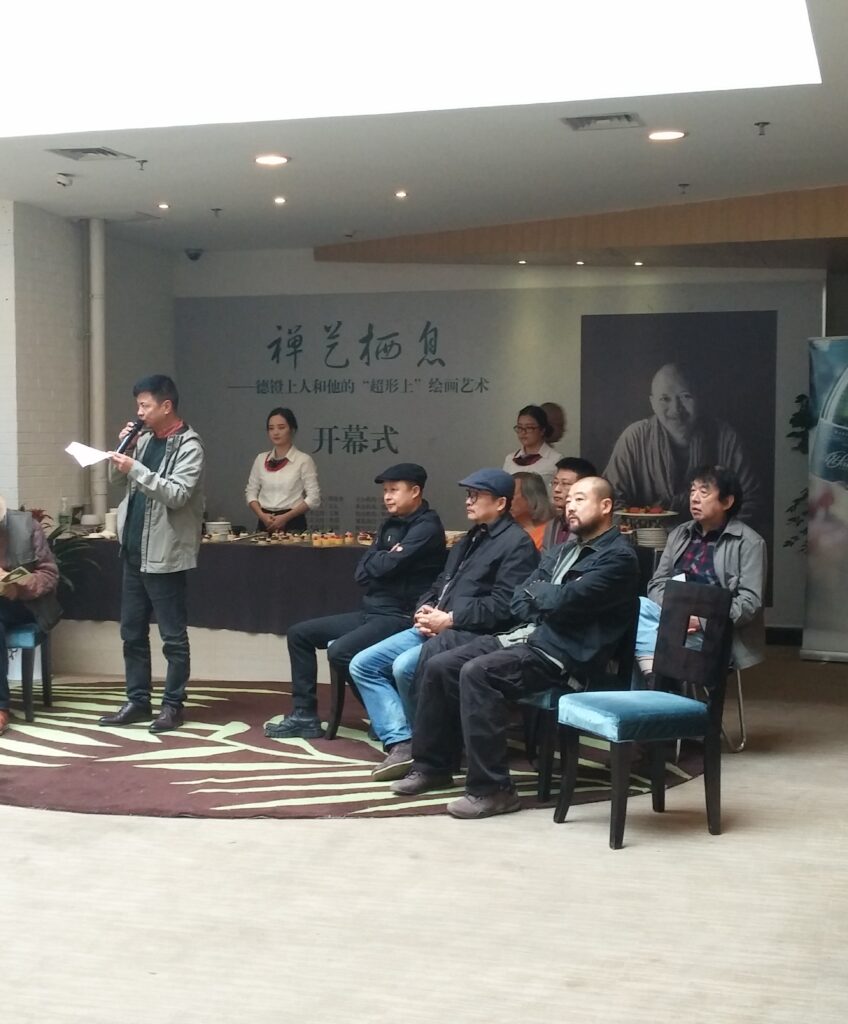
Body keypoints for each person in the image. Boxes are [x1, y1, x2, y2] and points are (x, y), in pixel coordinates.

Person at [390, 477, 640, 819]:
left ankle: (494, 790)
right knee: (440, 664)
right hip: (529, 638)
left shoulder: (618, 558)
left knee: (479, 673)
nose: (570, 506)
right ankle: (433, 766)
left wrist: (546, 596)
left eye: (580, 499)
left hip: (565, 657)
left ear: (605, 506)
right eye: (568, 500)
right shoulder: (564, 550)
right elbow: (518, 599)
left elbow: (566, 601)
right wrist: (546, 597)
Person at [349, 469, 539, 781]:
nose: (468, 501)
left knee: (404, 667)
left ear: (501, 503)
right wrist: (425, 609)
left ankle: (430, 749)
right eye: (468, 495)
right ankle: (403, 741)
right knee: (363, 664)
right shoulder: (471, 537)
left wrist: (451, 619)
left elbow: (506, 606)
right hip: (436, 623)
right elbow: (441, 582)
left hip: (471, 632)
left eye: (476, 496)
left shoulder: (517, 544)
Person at [264, 463, 446, 740]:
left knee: (340, 651)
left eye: (394, 490)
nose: (387, 497)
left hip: (399, 616)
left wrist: (383, 559)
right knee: (299, 634)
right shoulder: (389, 524)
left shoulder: (427, 527)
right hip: (371, 610)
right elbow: (362, 571)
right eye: (385, 491)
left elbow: (384, 565)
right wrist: (386, 558)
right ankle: (304, 716)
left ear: (415, 491)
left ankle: (389, 715)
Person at [98, 374, 205, 734]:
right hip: (133, 551)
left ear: (166, 406)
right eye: (138, 406)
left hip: (165, 555)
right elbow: (118, 482)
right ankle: (137, 700)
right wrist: (125, 451)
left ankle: (172, 705)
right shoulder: (142, 440)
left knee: (172, 637)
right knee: (131, 633)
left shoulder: (189, 445)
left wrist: (136, 468)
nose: (139, 412)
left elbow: (176, 494)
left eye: (145, 405)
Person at [636, 465, 766, 676]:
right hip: (671, 617)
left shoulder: (749, 542)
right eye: (692, 491)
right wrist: (675, 614)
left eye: (703, 492)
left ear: (727, 502)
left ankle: (654, 680)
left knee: (644, 641)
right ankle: (655, 680)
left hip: (714, 631)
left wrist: (703, 621)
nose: (694, 499)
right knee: (639, 606)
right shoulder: (679, 534)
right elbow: (657, 583)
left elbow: (750, 603)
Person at [603, 362, 762, 523]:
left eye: (686, 396)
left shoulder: (724, 437)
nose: (676, 409)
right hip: (644, 536)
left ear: (699, 397)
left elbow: (749, 499)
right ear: (652, 403)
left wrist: (717, 534)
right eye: (665, 399)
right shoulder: (634, 439)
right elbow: (609, 500)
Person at [0, 498, 61, 735]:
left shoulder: (27, 526)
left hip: (25, 604)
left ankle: (1, 707)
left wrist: (19, 587)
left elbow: (49, 575)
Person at [245, 407, 320, 534]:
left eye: (281, 427)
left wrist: (285, 517)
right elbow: (250, 492)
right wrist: (262, 515)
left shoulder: (303, 460)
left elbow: (314, 498)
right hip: (265, 521)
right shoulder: (260, 459)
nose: (275, 432)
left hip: (293, 522)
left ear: (292, 429)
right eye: (271, 428)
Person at [502, 405, 564, 488]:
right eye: (520, 427)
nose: (523, 432)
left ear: (542, 430)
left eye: (529, 428)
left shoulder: (555, 459)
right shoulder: (510, 459)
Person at [511, 471, 554, 550]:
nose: (504, 501)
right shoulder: (503, 530)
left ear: (531, 498)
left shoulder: (551, 533)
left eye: (511, 495)